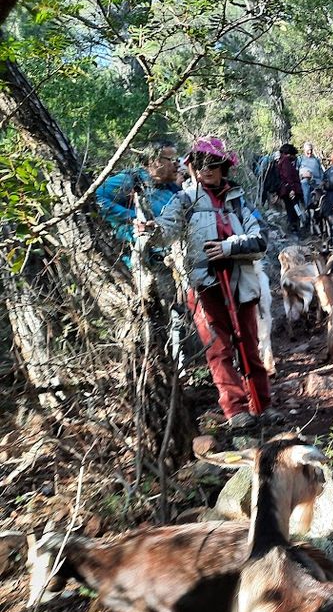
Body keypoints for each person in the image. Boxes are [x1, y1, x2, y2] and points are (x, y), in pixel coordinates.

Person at [154, 136, 278, 429]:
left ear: (224, 167)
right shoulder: (183, 200)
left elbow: (260, 241)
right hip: (204, 285)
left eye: (213, 164)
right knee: (218, 348)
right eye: (199, 164)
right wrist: (148, 229)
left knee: (249, 344)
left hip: (240, 281)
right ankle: (235, 411)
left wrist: (229, 247)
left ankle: (262, 405)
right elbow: (165, 231)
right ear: (192, 167)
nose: (206, 169)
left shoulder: (238, 200)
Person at [96, 140, 182, 245]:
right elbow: (96, 198)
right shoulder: (130, 180)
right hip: (131, 254)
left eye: (177, 159)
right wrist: (134, 218)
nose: (177, 164)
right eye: (172, 159)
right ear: (153, 161)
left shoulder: (174, 190)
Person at [276, 143, 304, 234]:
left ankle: (294, 228)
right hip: (290, 190)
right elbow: (287, 176)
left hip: (287, 189)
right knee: (293, 210)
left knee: (291, 209)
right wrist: (291, 189)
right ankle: (294, 229)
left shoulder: (282, 161)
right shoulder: (286, 162)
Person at [297, 141, 324, 209]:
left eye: (310, 150)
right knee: (305, 186)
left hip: (317, 182)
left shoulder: (316, 160)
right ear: (304, 150)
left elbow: (321, 172)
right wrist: (302, 175)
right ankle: (307, 208)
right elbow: (295, 172)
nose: (309, 153)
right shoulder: (300, 159)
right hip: (305, 182)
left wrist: (323, 181)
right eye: (307, 151)